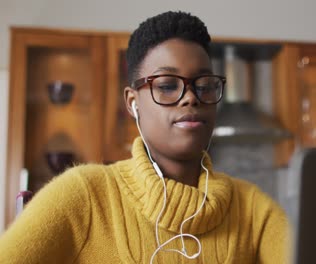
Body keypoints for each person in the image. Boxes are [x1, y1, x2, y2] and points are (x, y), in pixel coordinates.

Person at [0, 11, 289, 263]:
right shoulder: (83, 196)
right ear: (132, 102)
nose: (190, 97)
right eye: (166, 85)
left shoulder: (253, 210)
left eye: (204, 85)